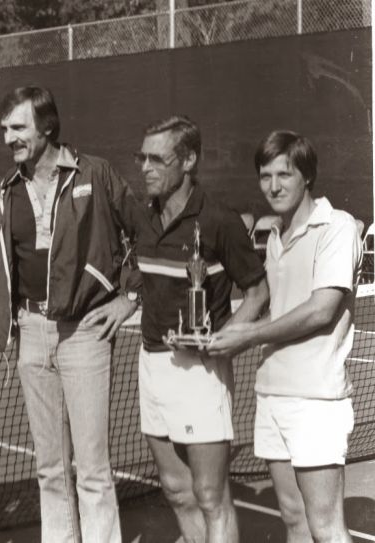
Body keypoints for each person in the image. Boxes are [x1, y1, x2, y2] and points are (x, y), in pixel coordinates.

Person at [0, 86, 136, 542]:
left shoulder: (96, 174)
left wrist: (127, 298)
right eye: (4, 129)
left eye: (18, 127)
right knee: (49, 468)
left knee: (92, 468)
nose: (9, 138)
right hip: (31, 332)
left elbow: (143, 233)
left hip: (85, 332)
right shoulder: (6, 191)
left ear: (47, 126)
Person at [207, 130, 361, 543]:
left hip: (316, 401)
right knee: (293, 519)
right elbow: (275, 308)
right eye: (265, 176)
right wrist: (217, 338)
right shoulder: (275, 235)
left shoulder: (337, 227)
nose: (273, 186)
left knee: (326, 527)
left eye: (284, 174)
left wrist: (248, 336)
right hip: (272, 394)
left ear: (307, 176)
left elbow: (320, 309)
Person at [132, 116, 268, 543]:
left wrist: (225, 339)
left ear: (189, 160)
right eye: (142, 158)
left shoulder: (219, 220)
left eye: (158, 159)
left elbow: (258, 292)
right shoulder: (142, 217)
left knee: (210, 495)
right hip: (152, 365)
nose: (146, 168)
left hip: (201, 373)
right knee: (176, 490)